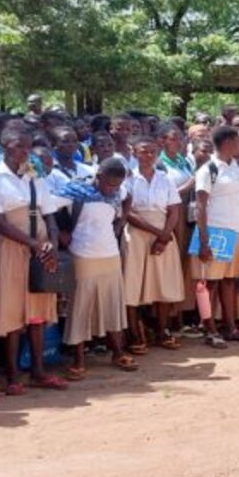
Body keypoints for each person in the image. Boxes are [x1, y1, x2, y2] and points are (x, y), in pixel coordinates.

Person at [0, 129, 68, 394]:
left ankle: (38, 371)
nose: (24, 151)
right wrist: (32, 244)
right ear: (4, 146)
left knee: (38, 310)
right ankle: (12, 375)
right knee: (13, 310)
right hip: (13, 248)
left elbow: (50, 213)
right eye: (19, 146)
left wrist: (51, 242)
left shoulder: (34, 175)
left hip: (41, 246)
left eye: (28, 147)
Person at [58, 158, 136, 377]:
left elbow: (128, 197)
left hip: (110, 254)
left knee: (113, 303)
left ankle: (118, 352)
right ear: (98, 176)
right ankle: (78, 359)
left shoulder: (118, 192)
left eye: (116, 185)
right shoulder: (75, 189)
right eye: (109, 184)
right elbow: (47, 207)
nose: (112, 189)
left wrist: (121, 222)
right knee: (81, 306)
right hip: (83, 254)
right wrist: (61, 234)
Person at [193, 125, 239, 348]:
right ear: (229, 142)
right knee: (209, 283)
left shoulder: (237, 168)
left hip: (236, 231)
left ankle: (230, 327)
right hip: (215, 231)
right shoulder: (209, 169)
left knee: (230, 281)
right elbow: (200, 206)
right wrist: (203, 241)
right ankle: (209, 329)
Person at [122, 137, 185, 354]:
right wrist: (158, 233)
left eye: (151, 151)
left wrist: (164, 236)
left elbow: (174, 209)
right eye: (143, 151)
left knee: (163, 283)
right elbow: (127, 212)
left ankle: (162, 330)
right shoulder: (128, 179)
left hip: (164, 234)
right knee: (133, 284)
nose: (147, 155)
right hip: (137, 235)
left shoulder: (165, 179)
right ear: (134, 153)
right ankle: (134, 333)